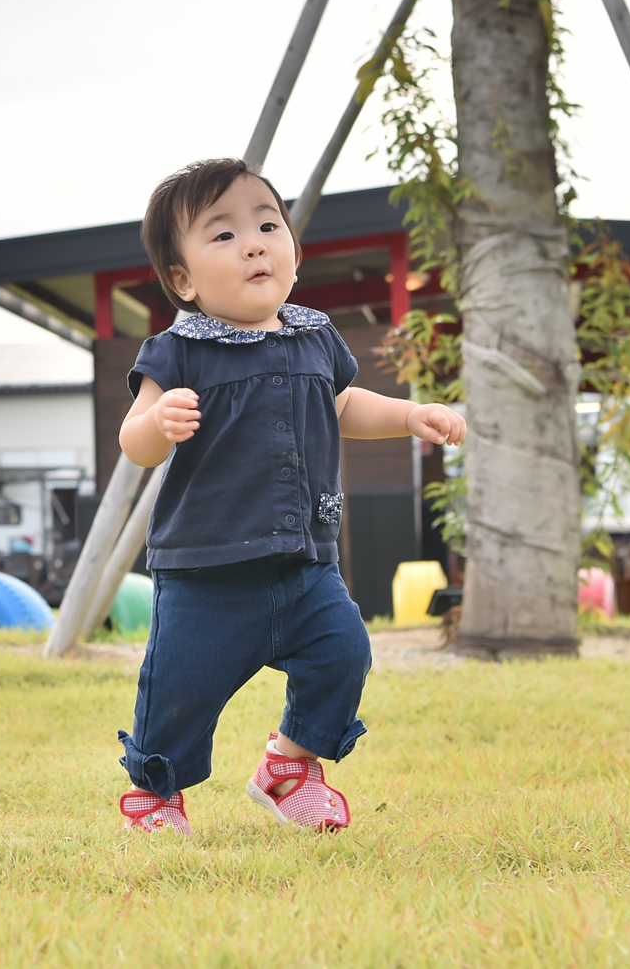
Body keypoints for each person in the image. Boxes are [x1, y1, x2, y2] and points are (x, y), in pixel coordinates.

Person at [113, 158, 464, 836]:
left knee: (344, 650)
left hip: (306, 563)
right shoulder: (179, 351)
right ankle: (156, 794)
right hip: (205, 571)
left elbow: (344, 405)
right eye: (222, 235)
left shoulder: (314, 336)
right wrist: (158, 424)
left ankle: (289, 764)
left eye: (268, 224)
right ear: (182, 280)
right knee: (180, 691)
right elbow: (136, 440)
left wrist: (408, 413)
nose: (253, 242)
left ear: (293, 254)